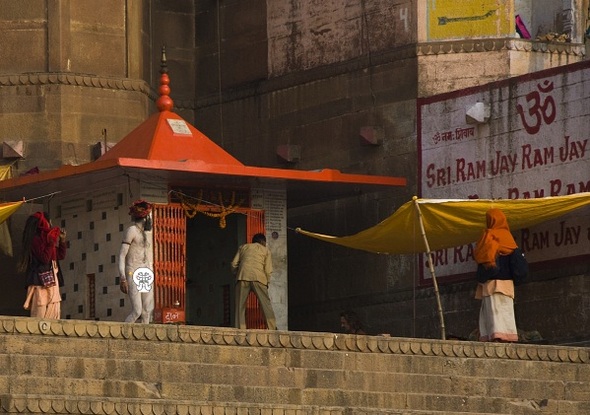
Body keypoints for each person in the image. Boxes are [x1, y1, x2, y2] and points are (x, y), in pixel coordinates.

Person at [473, 208, 519, 343]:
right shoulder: (509, 239)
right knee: (506, 311)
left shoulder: (487, 236)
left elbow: (482, 258)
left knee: (492, 311)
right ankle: (508, 337)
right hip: (507, 284)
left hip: (490, 283)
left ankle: (494, 337)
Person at [18, 212, 67, 319]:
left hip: (52, 279)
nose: (51, 224)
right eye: (49, 222)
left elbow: (60, 255)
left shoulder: (47, 238)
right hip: (39, 281)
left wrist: (62, 241)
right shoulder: (35, 240)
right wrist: (51, 242)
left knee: (54, 311)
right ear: (44, 222)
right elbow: (44, 259)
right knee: (40, 313)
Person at [119, 200, 154, 324]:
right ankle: (123, 334)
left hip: (145, 273)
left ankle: (144, 340)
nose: (151, 220)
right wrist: (123, 277)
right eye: (149, 217)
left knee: (147, 311)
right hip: (132, 272)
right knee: (137, 311)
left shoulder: (147, 232)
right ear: (145, 218)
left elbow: (148, 255)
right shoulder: (131, 231)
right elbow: (122, 255)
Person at [231, 233, 276, 330]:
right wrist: (266, 282)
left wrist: (237, 273)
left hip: (242, 276)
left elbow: (234, 264)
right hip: (259, 277)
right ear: (263, 241)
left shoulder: (243, 247)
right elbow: (268, 270)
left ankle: (240, 329)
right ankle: (272, 328)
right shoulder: (266, 250)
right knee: (266, 305)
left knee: (240, 306)